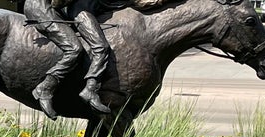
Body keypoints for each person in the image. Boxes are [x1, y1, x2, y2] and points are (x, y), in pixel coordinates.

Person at [25, 0, 162, 120]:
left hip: (85, 8)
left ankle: (90, 89)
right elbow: (58, 3)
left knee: (100, 47)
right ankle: (46, 87)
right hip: (50, 8)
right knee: (75, 49)